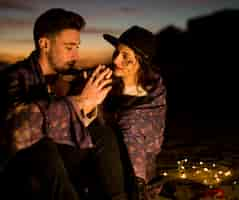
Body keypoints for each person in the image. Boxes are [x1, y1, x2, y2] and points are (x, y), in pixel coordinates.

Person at [0, 8, 132, 200]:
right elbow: (16, 132)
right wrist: (79, 102)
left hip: (57, 164)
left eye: (77, 47)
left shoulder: (64, 79)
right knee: (43, 148)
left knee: (102, 134)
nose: (76, 56)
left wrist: (91, 100)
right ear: (44, 44)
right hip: (18, 171)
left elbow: (77, 125)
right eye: (69, 48)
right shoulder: (13, 78)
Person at [102, 26, 167, 200]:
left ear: (141, 63)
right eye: (117, 52)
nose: (116, 60)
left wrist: (138, 186)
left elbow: (135, 149)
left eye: (126, 57)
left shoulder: (139, 115)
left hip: (132, 176)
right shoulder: (112, 85)